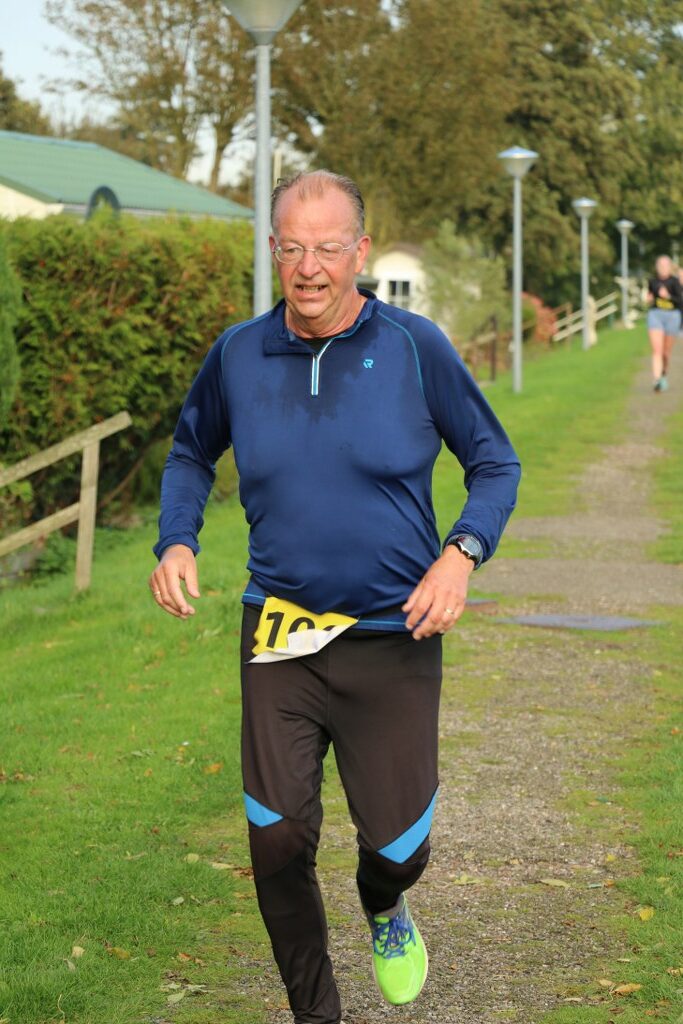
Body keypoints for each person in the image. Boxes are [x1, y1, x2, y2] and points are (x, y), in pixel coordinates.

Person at [149, 170, 521, 1024]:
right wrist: (176, 538)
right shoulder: (237, 354)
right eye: (291, 248)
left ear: (359, 251)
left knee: (398, 846)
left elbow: (494, 463)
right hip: (278, 632)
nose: (308, 267)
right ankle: (315, 1013)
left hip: (393, 636)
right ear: (272, 251)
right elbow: (190, 453)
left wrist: (460, 554)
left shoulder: (415, 347)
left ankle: (384, 902)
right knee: (276, 838)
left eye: (326, 248)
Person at [646, 255, 683, 392]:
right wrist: (649, 298)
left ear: (670, 267)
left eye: (665, 265)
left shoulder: (675, 282)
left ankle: (663, 374)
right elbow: (650, 295)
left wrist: (668, 296)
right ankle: (656, 380)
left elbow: (680, 301)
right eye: (660, 265)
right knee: (657, 350)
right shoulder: (652, 281)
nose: (662, 268)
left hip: (672, 316)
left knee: (665, 353)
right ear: (656, 267)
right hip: (655, 315)